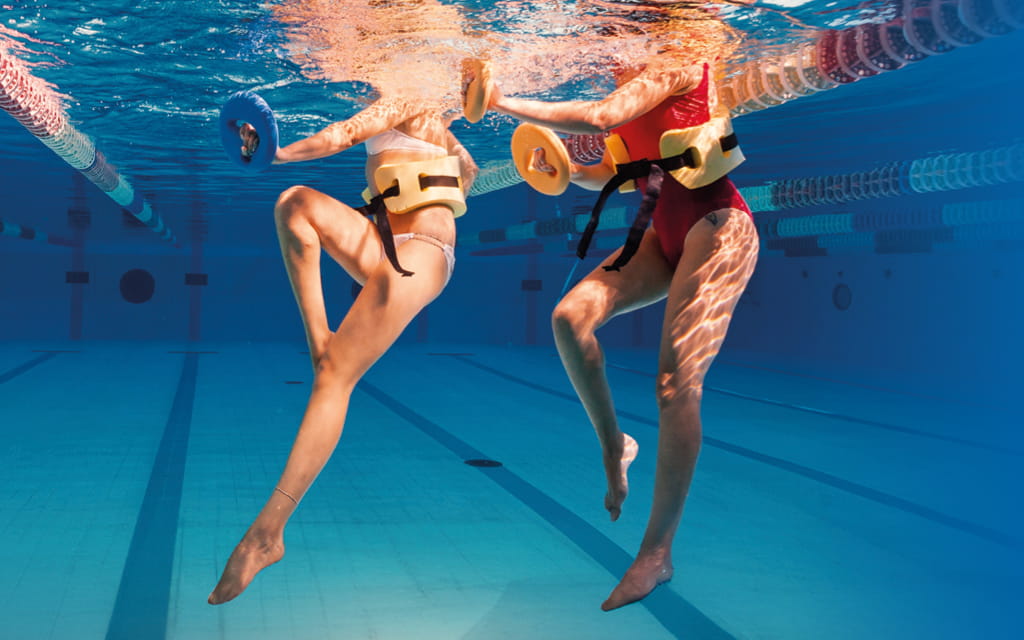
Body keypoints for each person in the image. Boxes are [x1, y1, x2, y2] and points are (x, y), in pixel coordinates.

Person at [463, 47, 758, 611]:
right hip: (663, 237)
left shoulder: (678, 63)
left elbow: (600, 116)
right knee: (569, 320)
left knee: (675, 386)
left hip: (720, 229)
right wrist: (561, 167)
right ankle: (613, 445)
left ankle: (656, 554)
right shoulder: (629, 76)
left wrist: (500, 100)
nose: (613, 50)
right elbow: (608, 166)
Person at [208, 95, 477, 605]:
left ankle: (267, 535)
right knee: (295, 204)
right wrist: (448, 155)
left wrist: (275, 153)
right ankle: (319, 344)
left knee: (338, 381)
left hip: (425, 252)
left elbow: (344, 135)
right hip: (385, 241)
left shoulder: (406, 90)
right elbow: (469, 171)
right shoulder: (429, 112)